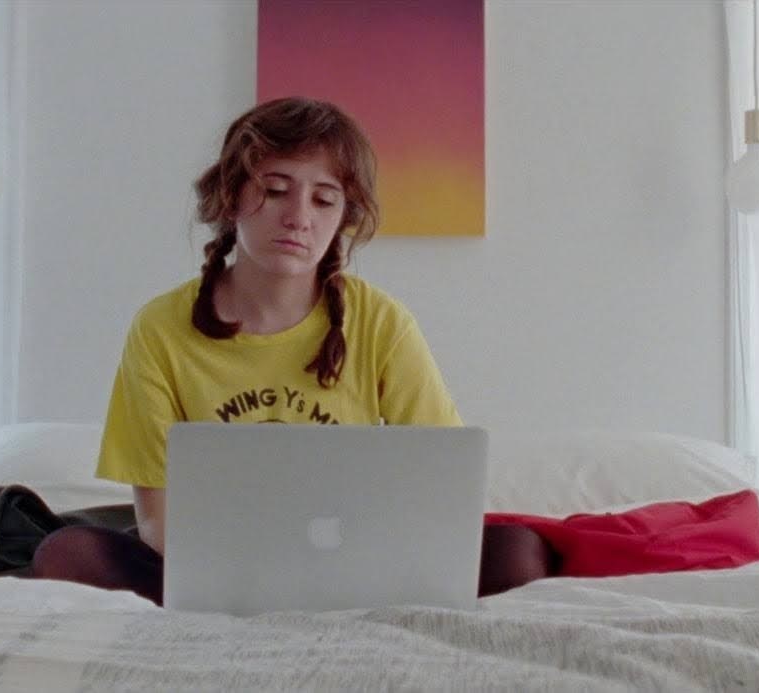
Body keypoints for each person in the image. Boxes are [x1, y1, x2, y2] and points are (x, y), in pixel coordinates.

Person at [30, 97, 551, 604]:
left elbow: (444, 489)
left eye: (324, 200)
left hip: (362, 566)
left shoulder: (381, 322)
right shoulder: (160, 327)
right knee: (68, 553)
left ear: (343, 217)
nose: (299, 217)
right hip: (213, 573)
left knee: (519, 553)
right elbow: (157, 518)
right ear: (232, 197)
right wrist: (250, 577)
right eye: (276, 191)